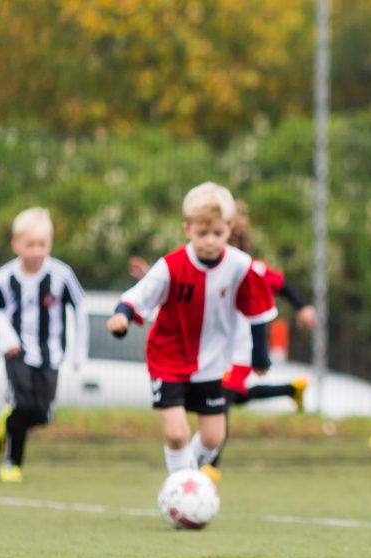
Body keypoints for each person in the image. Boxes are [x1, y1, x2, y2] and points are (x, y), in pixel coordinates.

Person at [107, 182, 277, 486]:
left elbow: (259, 310)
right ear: (187, 228)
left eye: (217, 234)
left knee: (213, 438)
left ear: (229, 228)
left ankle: (185, 482)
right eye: (202, 234)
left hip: (212, 363)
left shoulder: (240, 266)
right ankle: (182, 489)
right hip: (168, 359)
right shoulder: (171, 266)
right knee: (177, 434)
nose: (210, 241)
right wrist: (122, 315)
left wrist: (260, 355)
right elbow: (138, 296)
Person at [129, 200, 315, 415]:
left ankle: (203, 448)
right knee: (229, 397)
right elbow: (182, 284)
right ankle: (291, 389)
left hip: (240, 351)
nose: (211, 244)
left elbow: (283, 286)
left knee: (227, 396)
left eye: (219, 235)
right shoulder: (202, 269)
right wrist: (151, 277)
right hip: (214, 349)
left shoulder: (251, 270)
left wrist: (303, 307)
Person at [0, 207, 89, 483]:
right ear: (16, 245)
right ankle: (12, 464)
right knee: (23, 403)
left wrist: (80, 351)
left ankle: (6, 423)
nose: (36, 251)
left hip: (50, 355)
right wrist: (7, 337)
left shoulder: (61, 275)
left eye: (42, 245)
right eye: (29, 244)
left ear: (50, 244)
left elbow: (80, 308)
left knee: (42, 414)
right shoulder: (5, 277)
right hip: (17, 352)